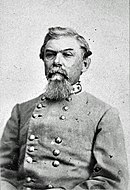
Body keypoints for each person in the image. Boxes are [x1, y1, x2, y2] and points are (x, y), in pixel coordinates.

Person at [0, 27, 128, 190]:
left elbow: (111, 181)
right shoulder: (21, 111)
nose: (57, 61)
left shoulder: (103, 114)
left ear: (85, 64)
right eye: (50, 54)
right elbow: (3, 172)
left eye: (67, 54)